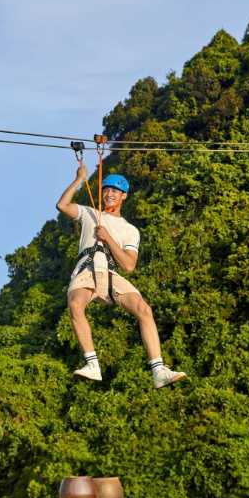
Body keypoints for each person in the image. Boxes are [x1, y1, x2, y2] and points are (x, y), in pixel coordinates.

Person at [56, 162, 186, 387]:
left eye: (115, 191)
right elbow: (62, 205)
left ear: (124, 196)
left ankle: (158, 370)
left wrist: (108, 238)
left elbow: (128, 265)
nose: (109, 194)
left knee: (144, 309)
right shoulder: (90, 213)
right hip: (87, 267)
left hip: (110, 271)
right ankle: (92, 363)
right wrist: (79, 179)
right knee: (76, 305)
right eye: (106, 190)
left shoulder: (130, 230)